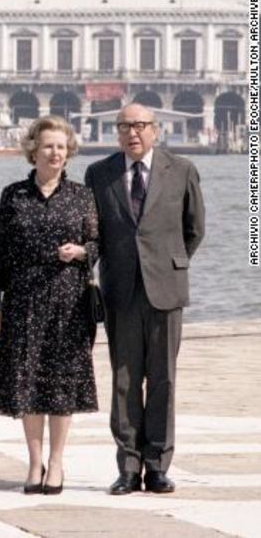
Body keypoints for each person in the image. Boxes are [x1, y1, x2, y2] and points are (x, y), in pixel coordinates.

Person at [85, 103, 205, 496]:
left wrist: (170, 263)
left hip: (165, 288)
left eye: (139, 126)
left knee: (163, 380)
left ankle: (157, 465)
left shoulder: (181, 170)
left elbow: (194, 229)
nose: (132, 133)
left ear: (156, 130)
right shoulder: (99, 173)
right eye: (124, 127)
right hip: (120, 289)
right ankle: (128, 467)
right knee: (123, 380)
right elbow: (94, 232)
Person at [0, 115, 99, 495]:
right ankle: (35, 463)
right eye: (47, 146)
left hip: (69, 302)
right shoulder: (13, 195)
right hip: (24, 300)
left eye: (61, 147)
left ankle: (58, 463)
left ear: (69, 153)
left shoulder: (82, 195)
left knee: (62, 384)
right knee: (28, 382)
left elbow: (99, 245)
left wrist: (82, 251)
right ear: (33, 150)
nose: (54, 153)